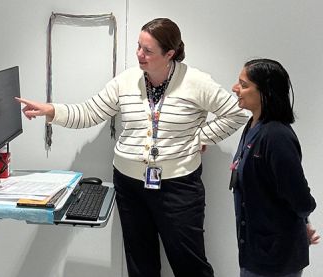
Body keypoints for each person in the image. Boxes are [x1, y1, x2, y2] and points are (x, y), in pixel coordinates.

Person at [17, 18, 248, 277]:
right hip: (130, 185)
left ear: (169, 53)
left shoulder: (195, 82)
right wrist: (51, 111)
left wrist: (201, 138)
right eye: (138, 46)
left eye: (148, 50)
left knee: (190, 264)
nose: (140, 54)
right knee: (140, 264)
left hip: (179, 186)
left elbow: (237, 113)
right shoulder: (126, 81)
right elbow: (90, 113)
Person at [230, 58, 318, 277]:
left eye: (244, 84)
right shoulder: (251, 127)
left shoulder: (277, 136)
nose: (235, 88)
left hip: (276, 258)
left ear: (265, 92)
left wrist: (302, 218)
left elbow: (299, 197)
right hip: (254, 251)